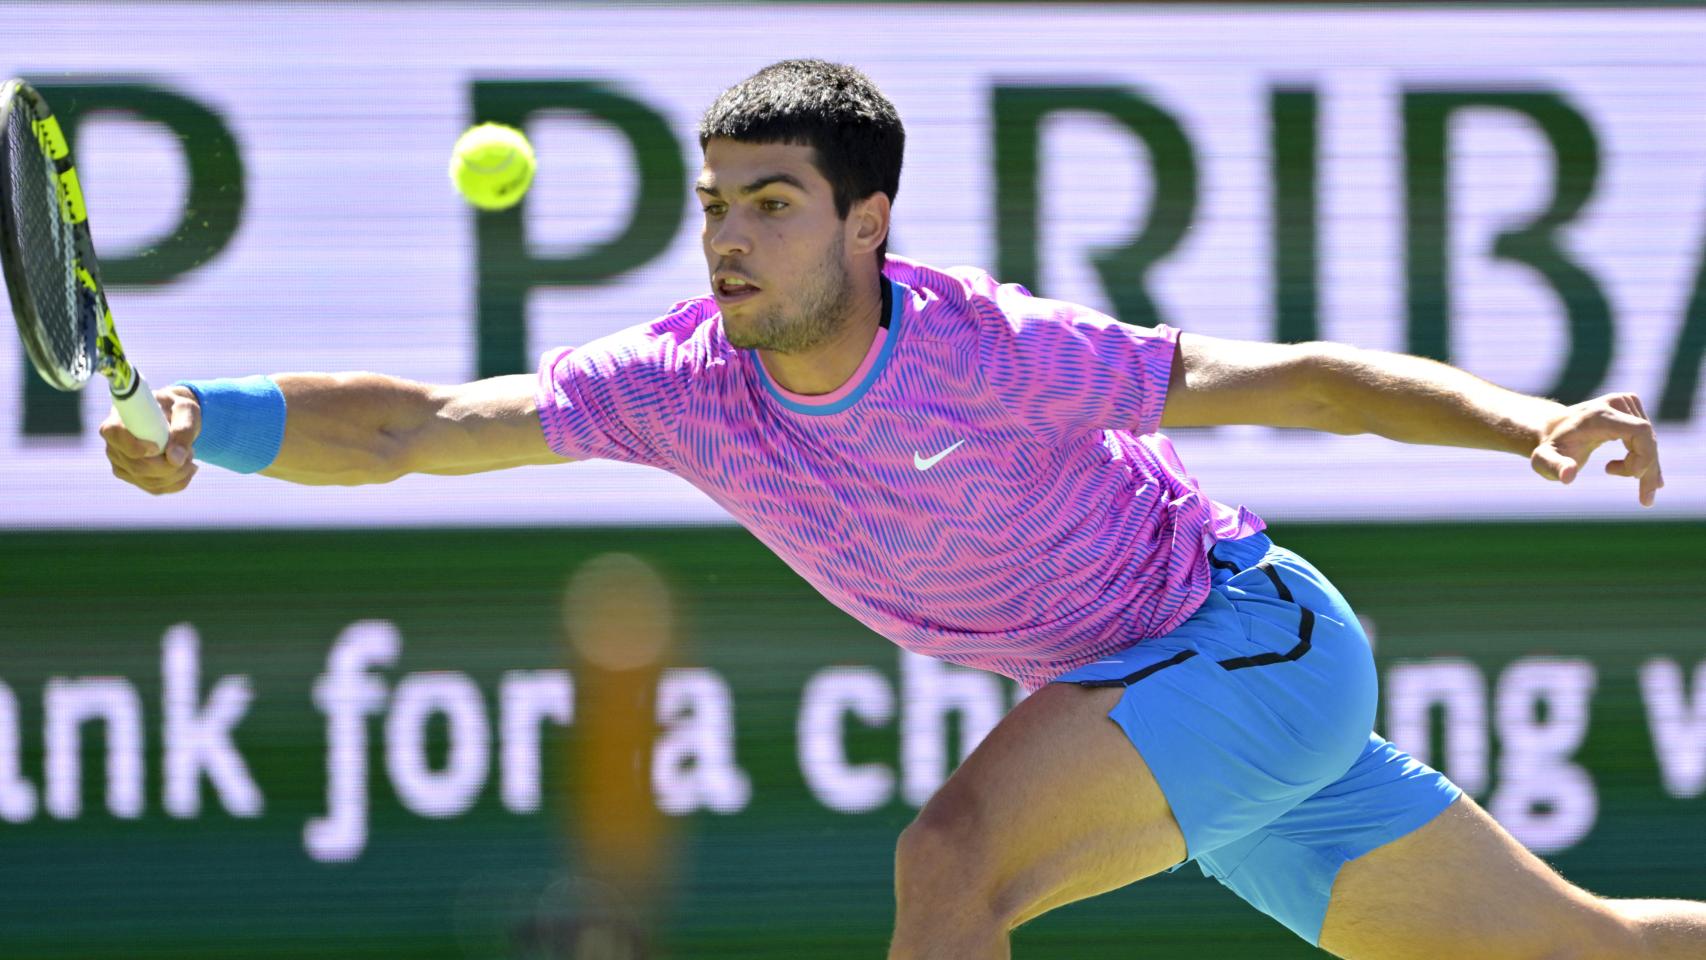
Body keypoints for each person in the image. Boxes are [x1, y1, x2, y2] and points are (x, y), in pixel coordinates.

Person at [102, 59, 1690, 959]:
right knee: (1592, 956)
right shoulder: (674, 381)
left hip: (1239, 646)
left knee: (949, 865)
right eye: (715, 205)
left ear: (867, 223)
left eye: (772, 206)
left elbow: (1304, 383)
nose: (729, 240)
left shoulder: (987, 350)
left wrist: (1527, 422)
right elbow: (410, 430)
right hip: (1174, 701)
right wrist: (204, 422)